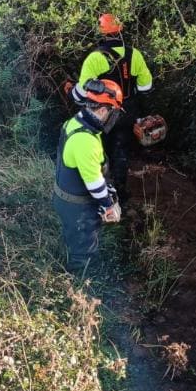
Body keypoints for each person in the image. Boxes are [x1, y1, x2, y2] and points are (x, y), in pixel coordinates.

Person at [71, 13, 153, 206]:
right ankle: (121, 193)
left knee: (101, 150)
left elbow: (81, 94)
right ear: (120, 30)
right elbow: (146, 87)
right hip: (127, 110)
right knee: (121, 149)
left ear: (101, 32)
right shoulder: (135, 55)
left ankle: (102, 193)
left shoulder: (95, 58)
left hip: (103, 113)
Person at [54, 78, 125, 273]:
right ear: (103, 110)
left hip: (65, 197)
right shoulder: (85, 141)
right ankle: (81, 287)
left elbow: (90, 170)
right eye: (114, 112)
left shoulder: (76, 122)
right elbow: (94, 185)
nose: (115, 117)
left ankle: (69, 256)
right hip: (78, 209)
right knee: (83, 253)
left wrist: (107, 186)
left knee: (72, 238)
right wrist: (108, 206)